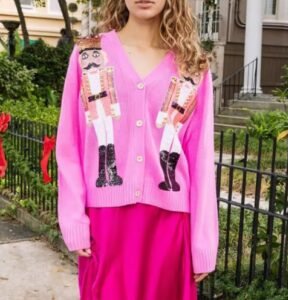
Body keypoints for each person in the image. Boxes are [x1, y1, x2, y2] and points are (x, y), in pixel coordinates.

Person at [55, 0, 219, 299]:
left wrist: (203, 242)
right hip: (105, 223)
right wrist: (73, 218)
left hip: (169, 225)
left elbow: (201, 159)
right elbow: (70, 143)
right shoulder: (89, 55)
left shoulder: (192, 67)